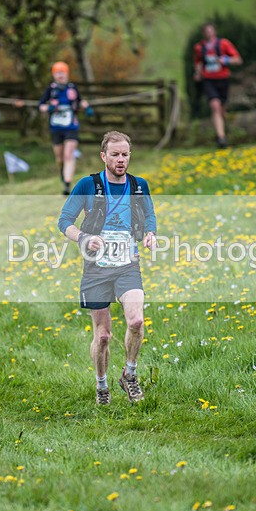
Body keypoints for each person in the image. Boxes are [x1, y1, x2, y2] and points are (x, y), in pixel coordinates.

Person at [58, 130, 157, 405]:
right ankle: (102, 385)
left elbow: (149, 214)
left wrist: (150, 233)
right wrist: (84, 238)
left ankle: (130, 375)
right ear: (103, 156)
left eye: (125, 154)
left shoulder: (139, 186)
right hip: (96, 269)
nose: (121, 159)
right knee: (102, 336)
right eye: (115, 154)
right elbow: (64, 221)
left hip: (127, 265)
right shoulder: (88, 185)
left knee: (136, 321)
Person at [38, 61, 92, 195]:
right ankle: (62, 171)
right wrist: (49, 108)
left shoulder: (72, 88)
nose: (60, 75)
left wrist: (87, 107)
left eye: (62, 73)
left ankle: (67, 184)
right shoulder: (51, 89)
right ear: (54, 75)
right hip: (56, 127)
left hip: (71, 125)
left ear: (67, 74)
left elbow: (81, 101)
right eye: (57, 73)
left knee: (68, 154)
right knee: (60, 157)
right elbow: (41, 106)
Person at [193, 22, 242, 148]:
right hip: (208, 80)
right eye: (206, 31)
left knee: (222, 110)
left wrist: (225, 60)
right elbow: (198, 62)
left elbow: (238, 59)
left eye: (211, 31)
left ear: (215, 32)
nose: (208, 33)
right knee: (215, 106)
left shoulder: (224, 44)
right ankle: (221, 138)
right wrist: (197, 73)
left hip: (223, 79)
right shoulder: (199, 47)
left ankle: (223, 131)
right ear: (203, 33)